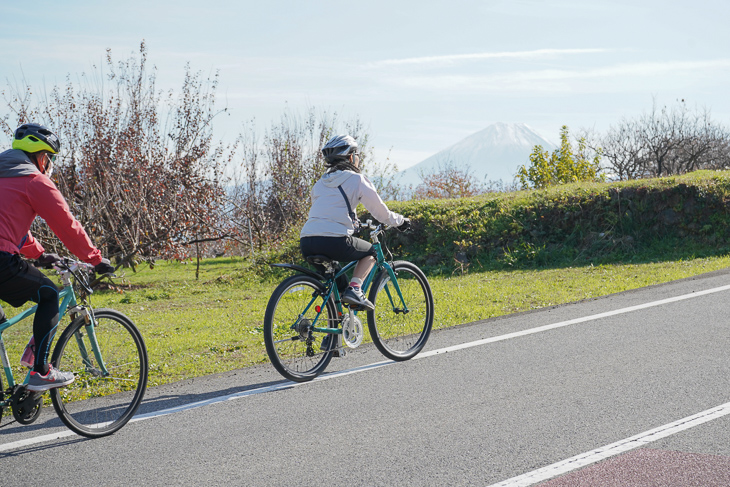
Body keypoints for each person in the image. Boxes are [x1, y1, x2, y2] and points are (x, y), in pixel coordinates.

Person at [0, 123, 115, 392]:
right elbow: (67, 226)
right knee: (49, 295)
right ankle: (41, 371)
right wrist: (95, 258)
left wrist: (40, 255)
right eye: (49, 158)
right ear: (41, 157)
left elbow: (8, 228)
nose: (49, 164)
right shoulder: (34, 181)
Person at [300, 134, 410, 311]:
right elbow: (382, 213)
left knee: (335, 287)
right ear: (351, 157)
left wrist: (353, 223)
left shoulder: (319, 184)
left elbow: (327, 212)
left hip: (307, 241)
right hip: (333, 240)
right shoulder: (356, 179)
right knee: (371, 252)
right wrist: (400, 221)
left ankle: (332, 334)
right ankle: (356, 288)